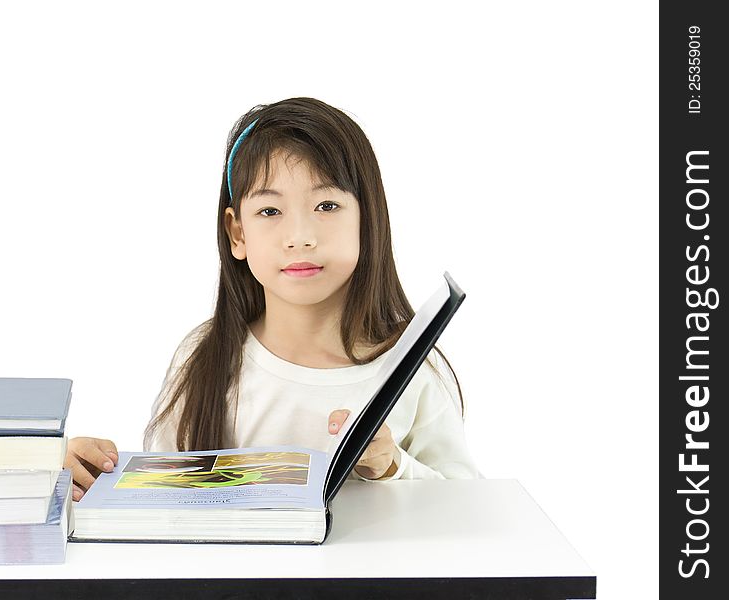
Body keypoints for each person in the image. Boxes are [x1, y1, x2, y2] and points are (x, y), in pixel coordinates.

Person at [65, 97, 479, 500]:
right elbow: (165, 502)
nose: (300, 236)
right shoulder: (206, 357)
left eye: (327, 205)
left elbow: (471, 507)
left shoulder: (413, 372)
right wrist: (88, 479)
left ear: (367, 221)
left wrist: (393, 467)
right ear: (238, 233)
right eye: (269, 211)